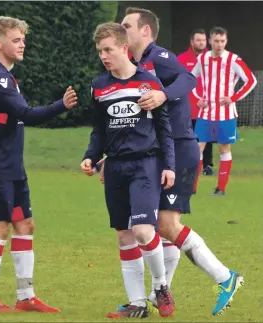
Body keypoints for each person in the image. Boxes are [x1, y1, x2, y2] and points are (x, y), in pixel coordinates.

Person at [117, 8, 244, 316]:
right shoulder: (136, 64)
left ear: (145, 31)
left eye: (126, 26)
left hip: (181, 148)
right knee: (161, 227)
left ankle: (225, 277)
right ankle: (155, 297)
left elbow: (188, 79)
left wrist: (162, 95)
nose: (121, 30)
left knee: (166, 225)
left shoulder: (158, 56)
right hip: (162, 150)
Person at [0, 16, 77, 312]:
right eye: (16, 40)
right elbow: (25, 114)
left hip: (11, 167)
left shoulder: (6, 75)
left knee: (24, 224)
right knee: (1, 226)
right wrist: (61, 106)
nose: (22, 45)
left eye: (23, 40)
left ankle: (26, 296)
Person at [80, 22, 176, 319]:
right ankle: (137, 304)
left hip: (146, 163)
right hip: (115, 166)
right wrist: (91, 156)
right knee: (124, 235)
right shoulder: (99, 86)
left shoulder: (149, 82)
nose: (103, 56)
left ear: (124, 48)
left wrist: (169, 165)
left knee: (144, 231)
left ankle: (160, 287)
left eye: (108, 49)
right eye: (99, 51)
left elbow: (164, 128)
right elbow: (99, 129)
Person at [192, 26, 257, 196]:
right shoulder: (203, 58)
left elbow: (251, 80)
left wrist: (234, 97)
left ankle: (220, 188)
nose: (219, 45)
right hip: (205, 113)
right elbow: (190, 78)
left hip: (225, 114)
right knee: (196, 148)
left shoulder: (233, 60)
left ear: (226, 41)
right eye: (216, 41)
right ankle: (192, 188)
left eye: (222, 41)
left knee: (223, 148)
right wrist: (197, 97)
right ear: (210, 41)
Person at [177, 29, 214, 178]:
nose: (201, 43)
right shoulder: (182, 59)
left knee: (207, 138)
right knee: (189, 138)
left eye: (204, 40)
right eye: (198, 40)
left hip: (207, 107)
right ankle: (187, 165)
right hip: (188, 107)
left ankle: (208, 165)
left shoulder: (212, 58)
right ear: (192, 42)